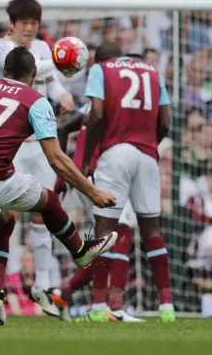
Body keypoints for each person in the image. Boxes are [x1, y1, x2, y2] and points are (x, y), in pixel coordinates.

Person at [0, 46, 118, 326]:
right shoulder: (35, 100)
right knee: (48, 200)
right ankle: (81, 251)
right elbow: (57, 159)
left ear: (5, 71)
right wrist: (92, 192)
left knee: (2, 223)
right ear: (34, 73)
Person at [0, 0, 74, 316]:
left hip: (37, 146)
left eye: (34, 24)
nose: (28, 29)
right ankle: (2, 290)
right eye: (23, 23)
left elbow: (53, 83)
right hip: (8, 145)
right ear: (11, 24)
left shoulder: (42, 51)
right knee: (5, 218)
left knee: (44, 213)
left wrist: (63, 95)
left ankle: (44, 286)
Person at [81, 42, 175, 323]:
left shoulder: (101, 70)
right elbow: (166, 121)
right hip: (147, 155)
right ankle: (167, 307)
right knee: (152, 229)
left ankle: (99, 307)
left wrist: (87, 158)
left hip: (115, 153)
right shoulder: (153, 71)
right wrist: (149, 146)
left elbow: (96, 114)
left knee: (104, 229)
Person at [53, 101, 143, 323]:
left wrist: (61, 176)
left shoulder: (95, 102)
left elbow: (63, 129)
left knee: (107, 243)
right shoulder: (118, 104)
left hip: (83, 174)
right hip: (99, 174)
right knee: (121, 233)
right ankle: (111, 308)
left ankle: (65, 293)